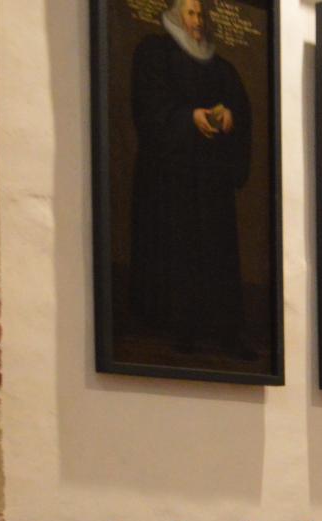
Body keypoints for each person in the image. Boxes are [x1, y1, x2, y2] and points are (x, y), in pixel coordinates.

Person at [127, 0, 257, 358]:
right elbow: (149, 107)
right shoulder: (155, 53)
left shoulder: (223, 69)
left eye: (201, 14)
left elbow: (241, 115)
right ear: (175, 16)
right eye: (191, 13)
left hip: (212, 184)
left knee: (217, 256)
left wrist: (229, 115)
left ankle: (225, 332)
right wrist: (189, 118)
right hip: (171, 181)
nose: (198, 21)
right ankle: (181, 329)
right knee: (179, 253)